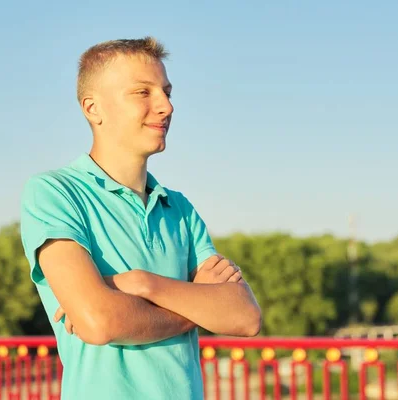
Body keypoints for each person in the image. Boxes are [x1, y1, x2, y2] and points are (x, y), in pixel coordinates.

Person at [20, 37, 261, 400]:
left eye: (166, 91)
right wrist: (197, 306)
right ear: (93, 108)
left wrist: (141, 283)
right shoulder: (54, 193)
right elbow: (98, 321)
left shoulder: (178, 208)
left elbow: (245, 317)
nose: (166, 106)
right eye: (142, 92)